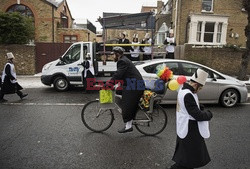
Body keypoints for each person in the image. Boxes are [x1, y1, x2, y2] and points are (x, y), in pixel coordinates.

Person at [169, 69, 213, 169]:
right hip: (190, 129)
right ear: (196, 85)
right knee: (189, 157)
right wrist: (209, 114)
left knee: (186, 155)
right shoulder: (188, 94)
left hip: (184, 125)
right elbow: (197, 115)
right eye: (200, 88)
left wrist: (199, 106)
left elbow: (190, 106)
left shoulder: (183, 89)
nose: (199, 90)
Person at [106, 47, 145, 133]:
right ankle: (131, 114)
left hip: (135, 86)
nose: (112, 56)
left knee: (126, 105)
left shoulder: (122, 61)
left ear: (117, 54)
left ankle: (128, 126)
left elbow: (118, 75)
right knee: (119, 92)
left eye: (113, 54)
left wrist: (109, 84)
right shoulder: (124, 60)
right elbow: (122, 75)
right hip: (133, 84)